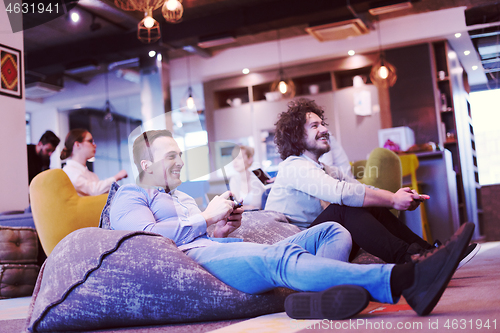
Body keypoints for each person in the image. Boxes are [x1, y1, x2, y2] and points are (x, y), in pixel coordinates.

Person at [109, 129, 474, 319]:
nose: (179, 162)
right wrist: (206, 219)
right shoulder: (130, 194)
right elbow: (144, 239)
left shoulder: (181, 197)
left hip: (222, 248)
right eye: (172, 156)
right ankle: (405, 280)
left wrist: (219, 226)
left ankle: (311, 301)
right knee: (280, 262)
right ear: (146, 165)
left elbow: (201, 229)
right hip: (199, 260)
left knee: (334, 229)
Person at [266, 98, 479, 266]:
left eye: (323, 124)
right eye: (314, 126)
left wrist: (396, 196)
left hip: (319, 239)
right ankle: (411, 260)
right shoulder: (292, 166)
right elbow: (341, 193)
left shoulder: (326, 169)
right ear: (296, 136)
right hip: (291, 247)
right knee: (344, 207)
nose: (324, 129)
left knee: (366, 203)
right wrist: (393, 200)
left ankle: (430, 253)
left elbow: (361, 189)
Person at [60, 129, 128, 196]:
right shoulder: (68, 171)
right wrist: (118, 177)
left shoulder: (92, 175)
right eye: (90, 141)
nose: (95, 145)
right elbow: (93, 190)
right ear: (77, 145)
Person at [229, 145, 266, 210]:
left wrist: (243, 207)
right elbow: (236, 205)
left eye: (239, 158)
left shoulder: (259, 175)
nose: (235, 161)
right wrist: (247, 207)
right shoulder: (233, 179)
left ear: (250, 159)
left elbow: (257, 206)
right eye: (233, 158)